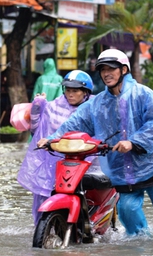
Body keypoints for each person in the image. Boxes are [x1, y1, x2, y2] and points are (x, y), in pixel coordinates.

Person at [37, 49, 153, 240]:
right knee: (127, 210)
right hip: (124, 171)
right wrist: (53, 139)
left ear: (123, 70)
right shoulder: (97, 104)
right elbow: (75, 123)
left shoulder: (143, 94)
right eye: (103, 69)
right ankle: (143, 252)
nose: (106, 73)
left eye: (111, 69)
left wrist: (134, 142)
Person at [17, 70, 95, 225]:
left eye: (75, 91)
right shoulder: (53, 107)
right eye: (68, 90)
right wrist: (37, 106)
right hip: (54, 160)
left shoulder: (94, 108)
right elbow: (37, 129)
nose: (70, 94)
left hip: (86, 159)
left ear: (85, 92)